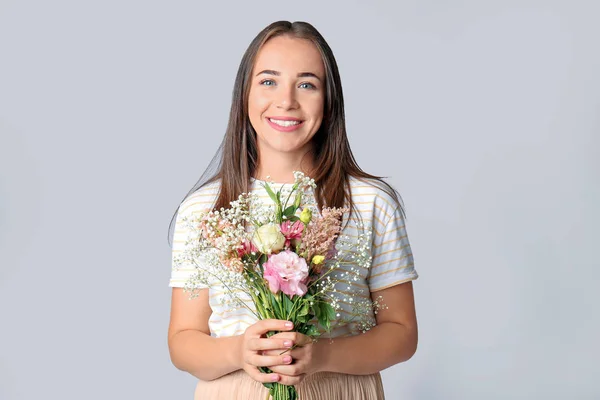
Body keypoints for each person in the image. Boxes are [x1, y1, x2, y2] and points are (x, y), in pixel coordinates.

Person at [166, 20, 419, 400]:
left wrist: (321, 355)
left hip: (340, 390)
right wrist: (238, 350)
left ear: (329, 99)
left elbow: (402, 333)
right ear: (245, 96)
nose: (286, 101)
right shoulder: (204, 208)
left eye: (307, 84)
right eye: (268, 81)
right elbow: (183, 341)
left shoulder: (370, 203)